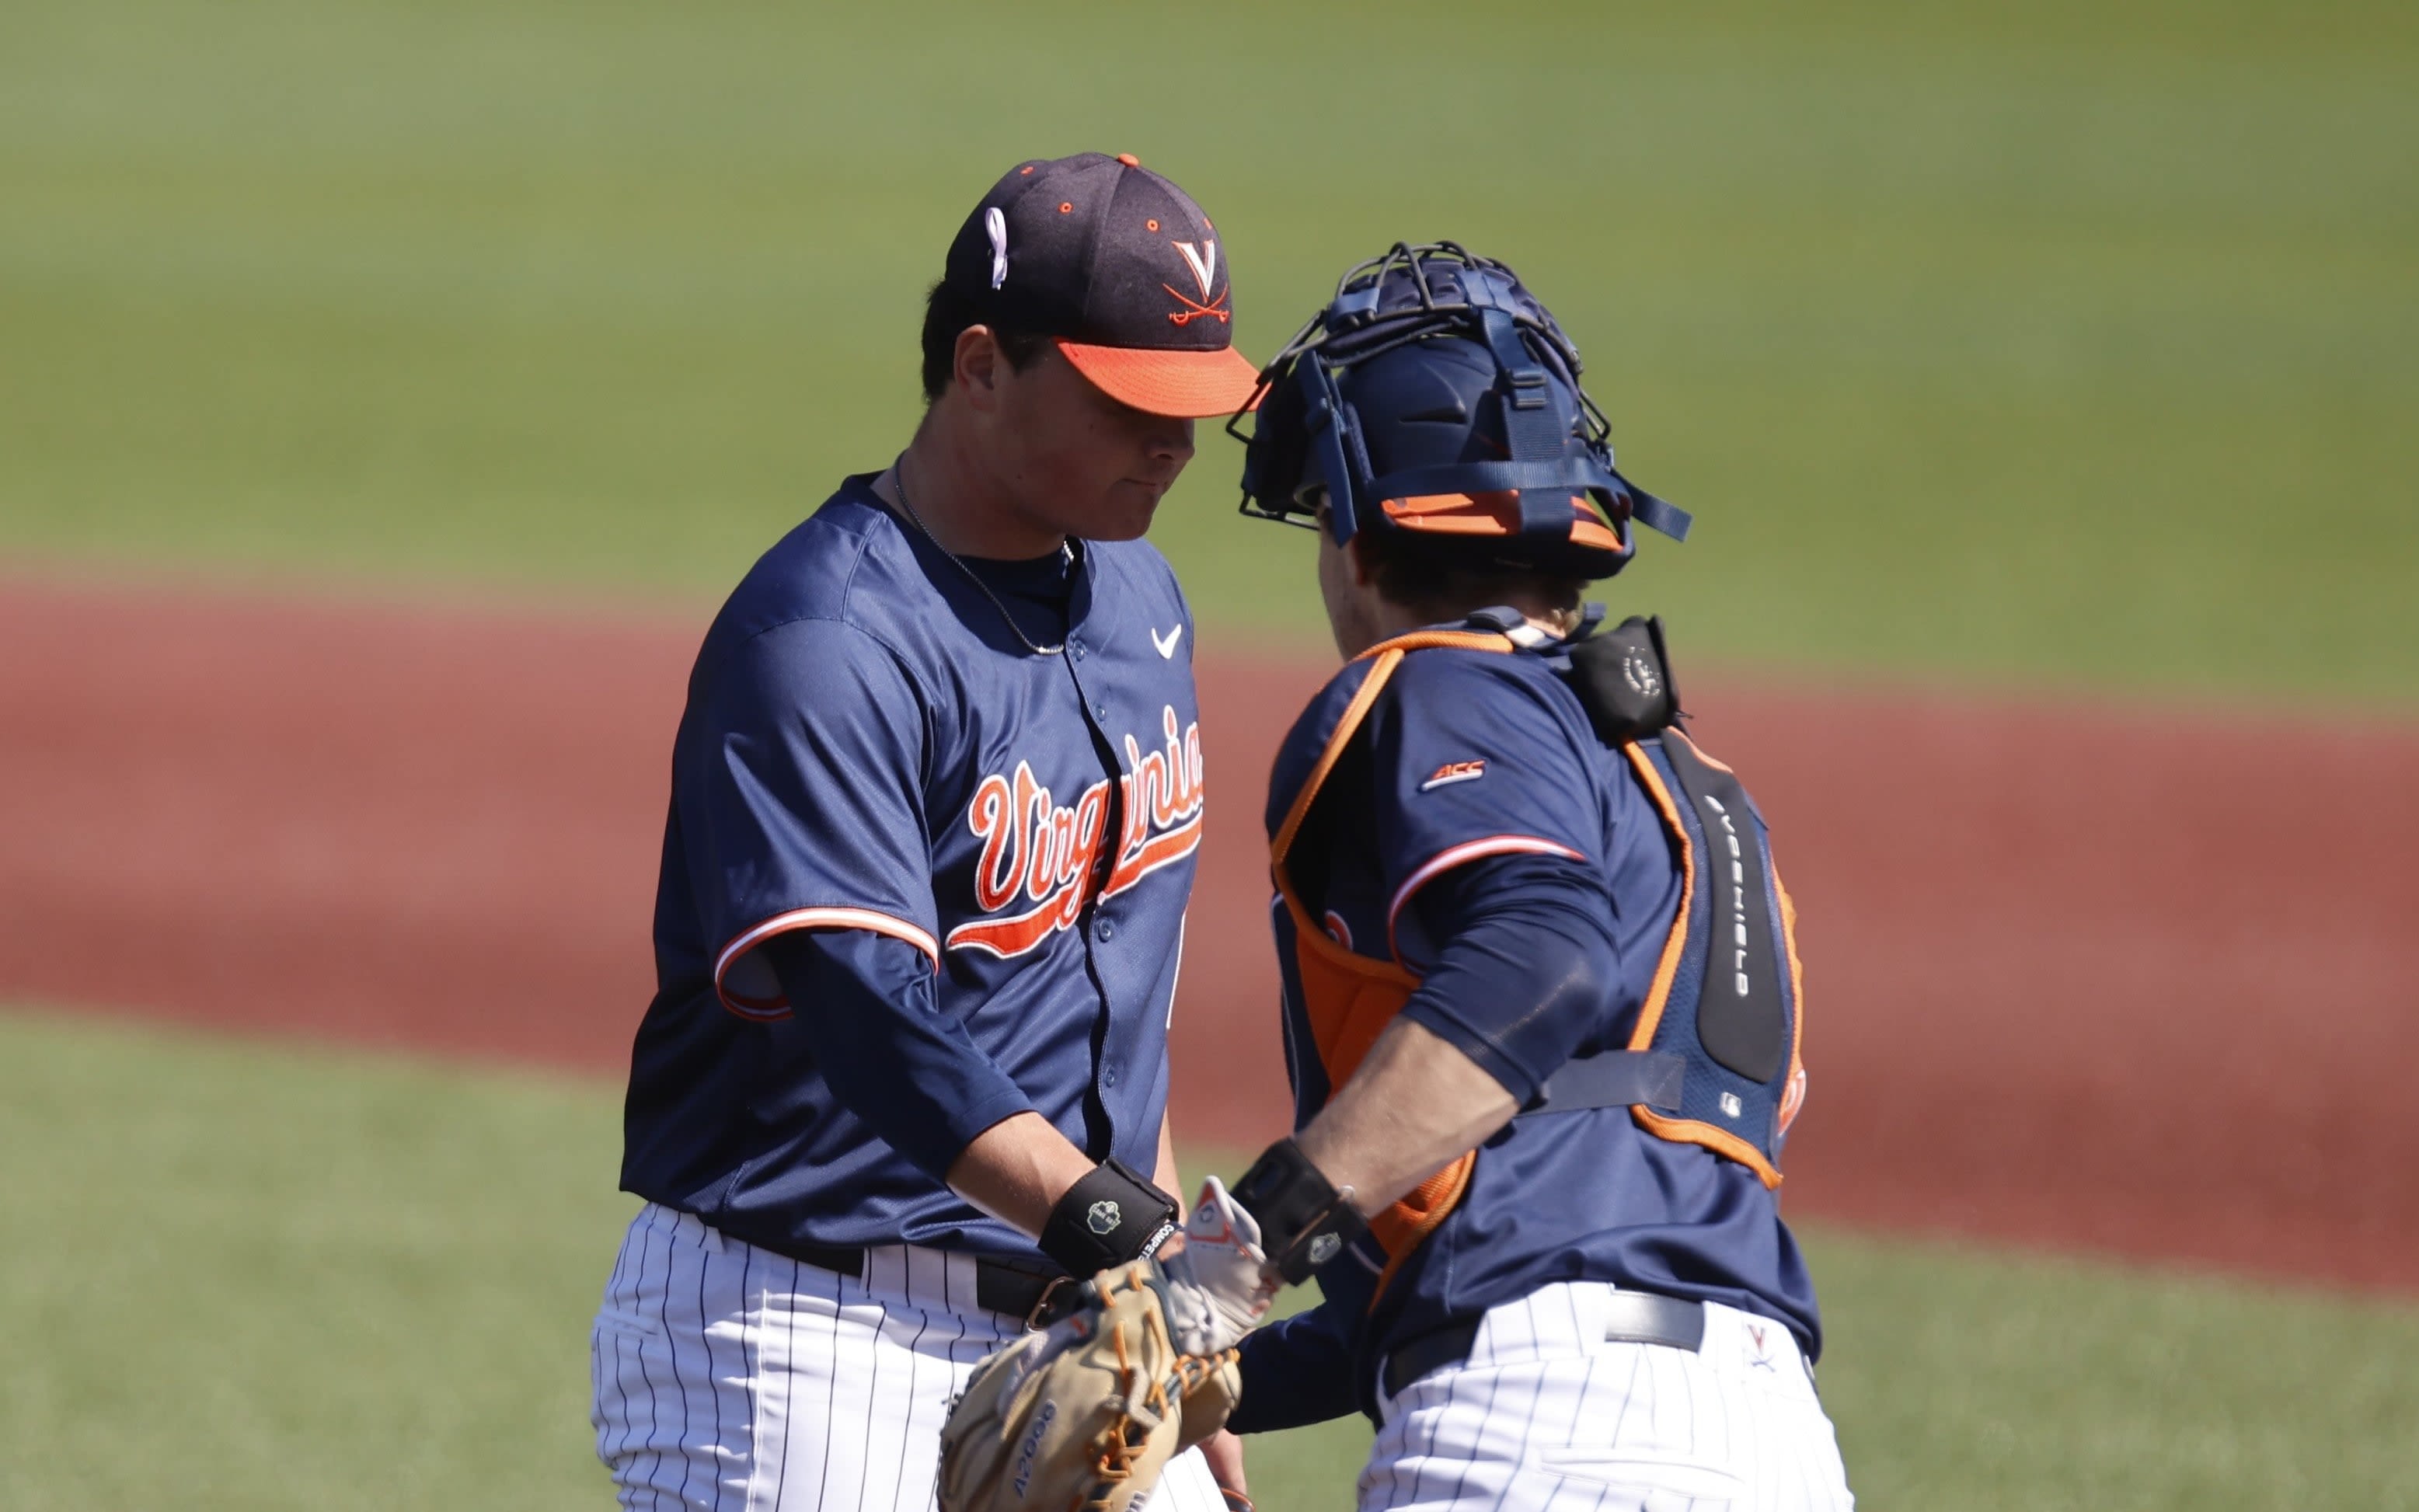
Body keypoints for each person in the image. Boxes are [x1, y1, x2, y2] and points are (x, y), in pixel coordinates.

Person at [589, 152, 1262, 1512]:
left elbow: (1113, 978)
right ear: (979, 365)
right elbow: (872, 1019)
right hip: (813, 1333)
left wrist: (1179, 1333)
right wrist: (1135, 1248)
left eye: (1193, 407)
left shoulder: (1140, 594)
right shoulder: (828, 637)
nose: (1172, 447)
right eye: (1127, 404)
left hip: (1087, 1313)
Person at [1205, 242, 1856, 1510]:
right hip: (1768, 1439)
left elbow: (1538, 957)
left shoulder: (1440, 687)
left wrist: (1237, 1252)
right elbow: (1480, 1240)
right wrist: (1208, 1376)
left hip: (1538, 1439)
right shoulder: (1689, 785)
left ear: (1352, 531)